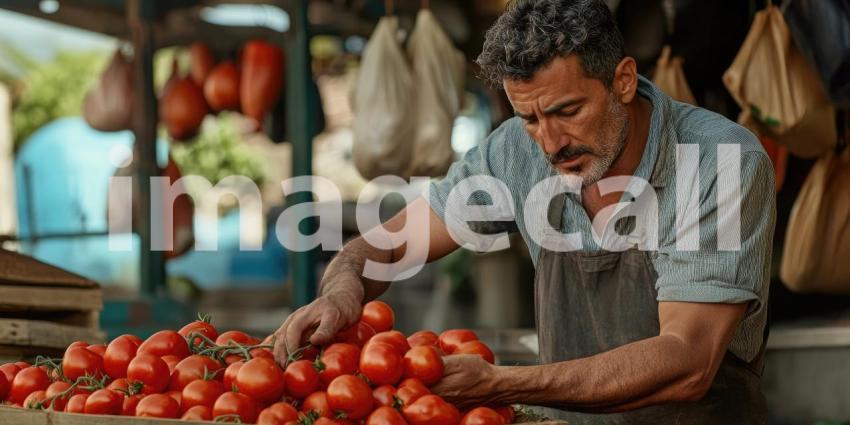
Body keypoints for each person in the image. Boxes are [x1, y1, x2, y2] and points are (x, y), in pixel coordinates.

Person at [274, 0, 775, 423]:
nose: (550, 143)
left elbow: (687, 359)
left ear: (623, 81)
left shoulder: (718, 162)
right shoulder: (515, 151)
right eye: (529, 117)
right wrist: (343, 288)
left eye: (567, 111)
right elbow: (388, 244)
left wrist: (502, 383)